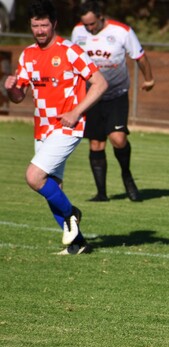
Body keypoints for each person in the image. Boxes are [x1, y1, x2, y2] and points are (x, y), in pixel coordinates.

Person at [4, 0, 107, 255]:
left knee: (34, 177)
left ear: (54, 24)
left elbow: (100, 84)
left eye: (44, 25)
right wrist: (11, 89)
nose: (39, 31)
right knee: (52, 187)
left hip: (67, 126)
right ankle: (79, 244)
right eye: (35, 26)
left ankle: (72, 214)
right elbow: (19, 97)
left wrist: (76, 111)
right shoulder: (28, 55)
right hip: (42, 129)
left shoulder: (70, 51)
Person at [71, 0, 155, 202]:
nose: (89, 28)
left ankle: (127, 175)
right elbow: (73, 62)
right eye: (86, 25)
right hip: (91, 97)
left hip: (116, 94)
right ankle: (101, 193)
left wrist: (149, 79)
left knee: (118, 139)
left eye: (92, 23)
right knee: (96, 143)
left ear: (101, 16)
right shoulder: (77, 32)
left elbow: (140, 57)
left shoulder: (122, 31)